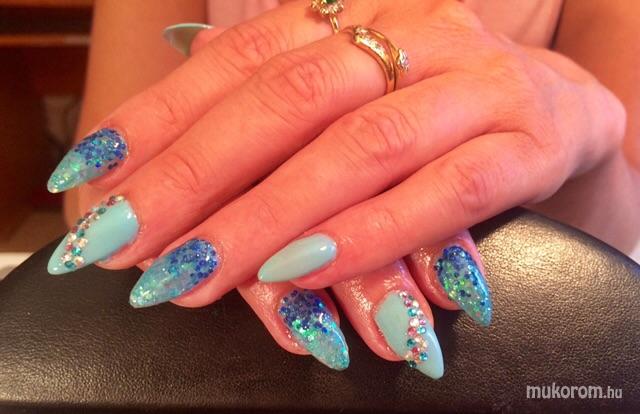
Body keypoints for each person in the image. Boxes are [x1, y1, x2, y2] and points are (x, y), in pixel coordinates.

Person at [44, 0, 637, 378]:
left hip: (513, 334)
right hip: (217, 358)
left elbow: (623, 230)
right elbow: (99, 198)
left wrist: (574, 134)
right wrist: (242, 161)